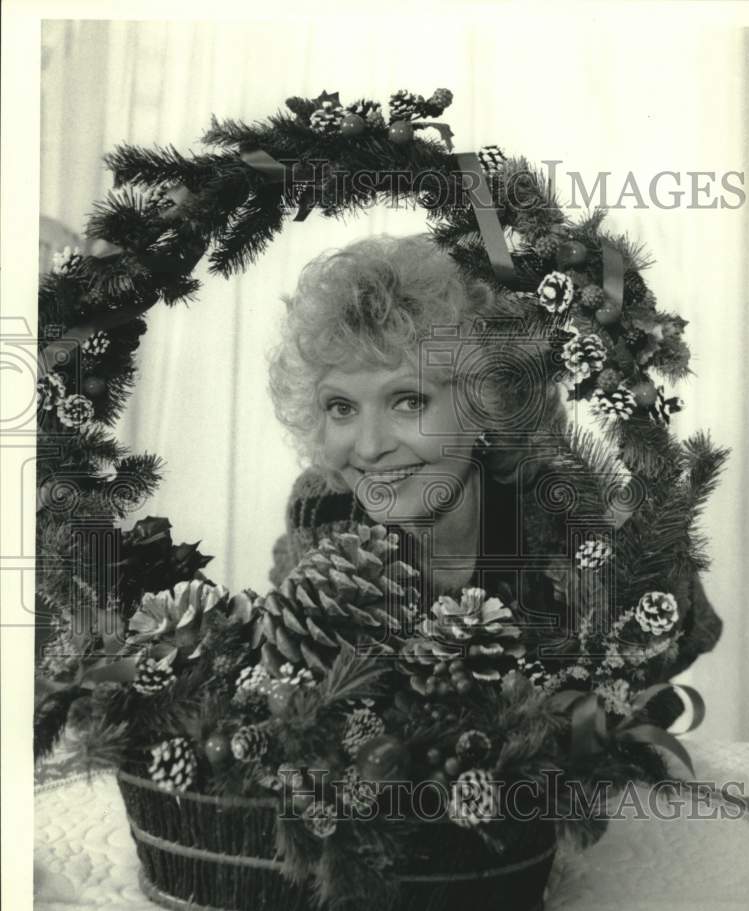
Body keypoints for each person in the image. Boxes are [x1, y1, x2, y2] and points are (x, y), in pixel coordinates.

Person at [267, 232, 722, 706]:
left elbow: (678, 633)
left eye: (408, 401)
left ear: (484, 401)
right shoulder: (323, 508)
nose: (369, 446)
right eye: (341, 407)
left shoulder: (566, 514)